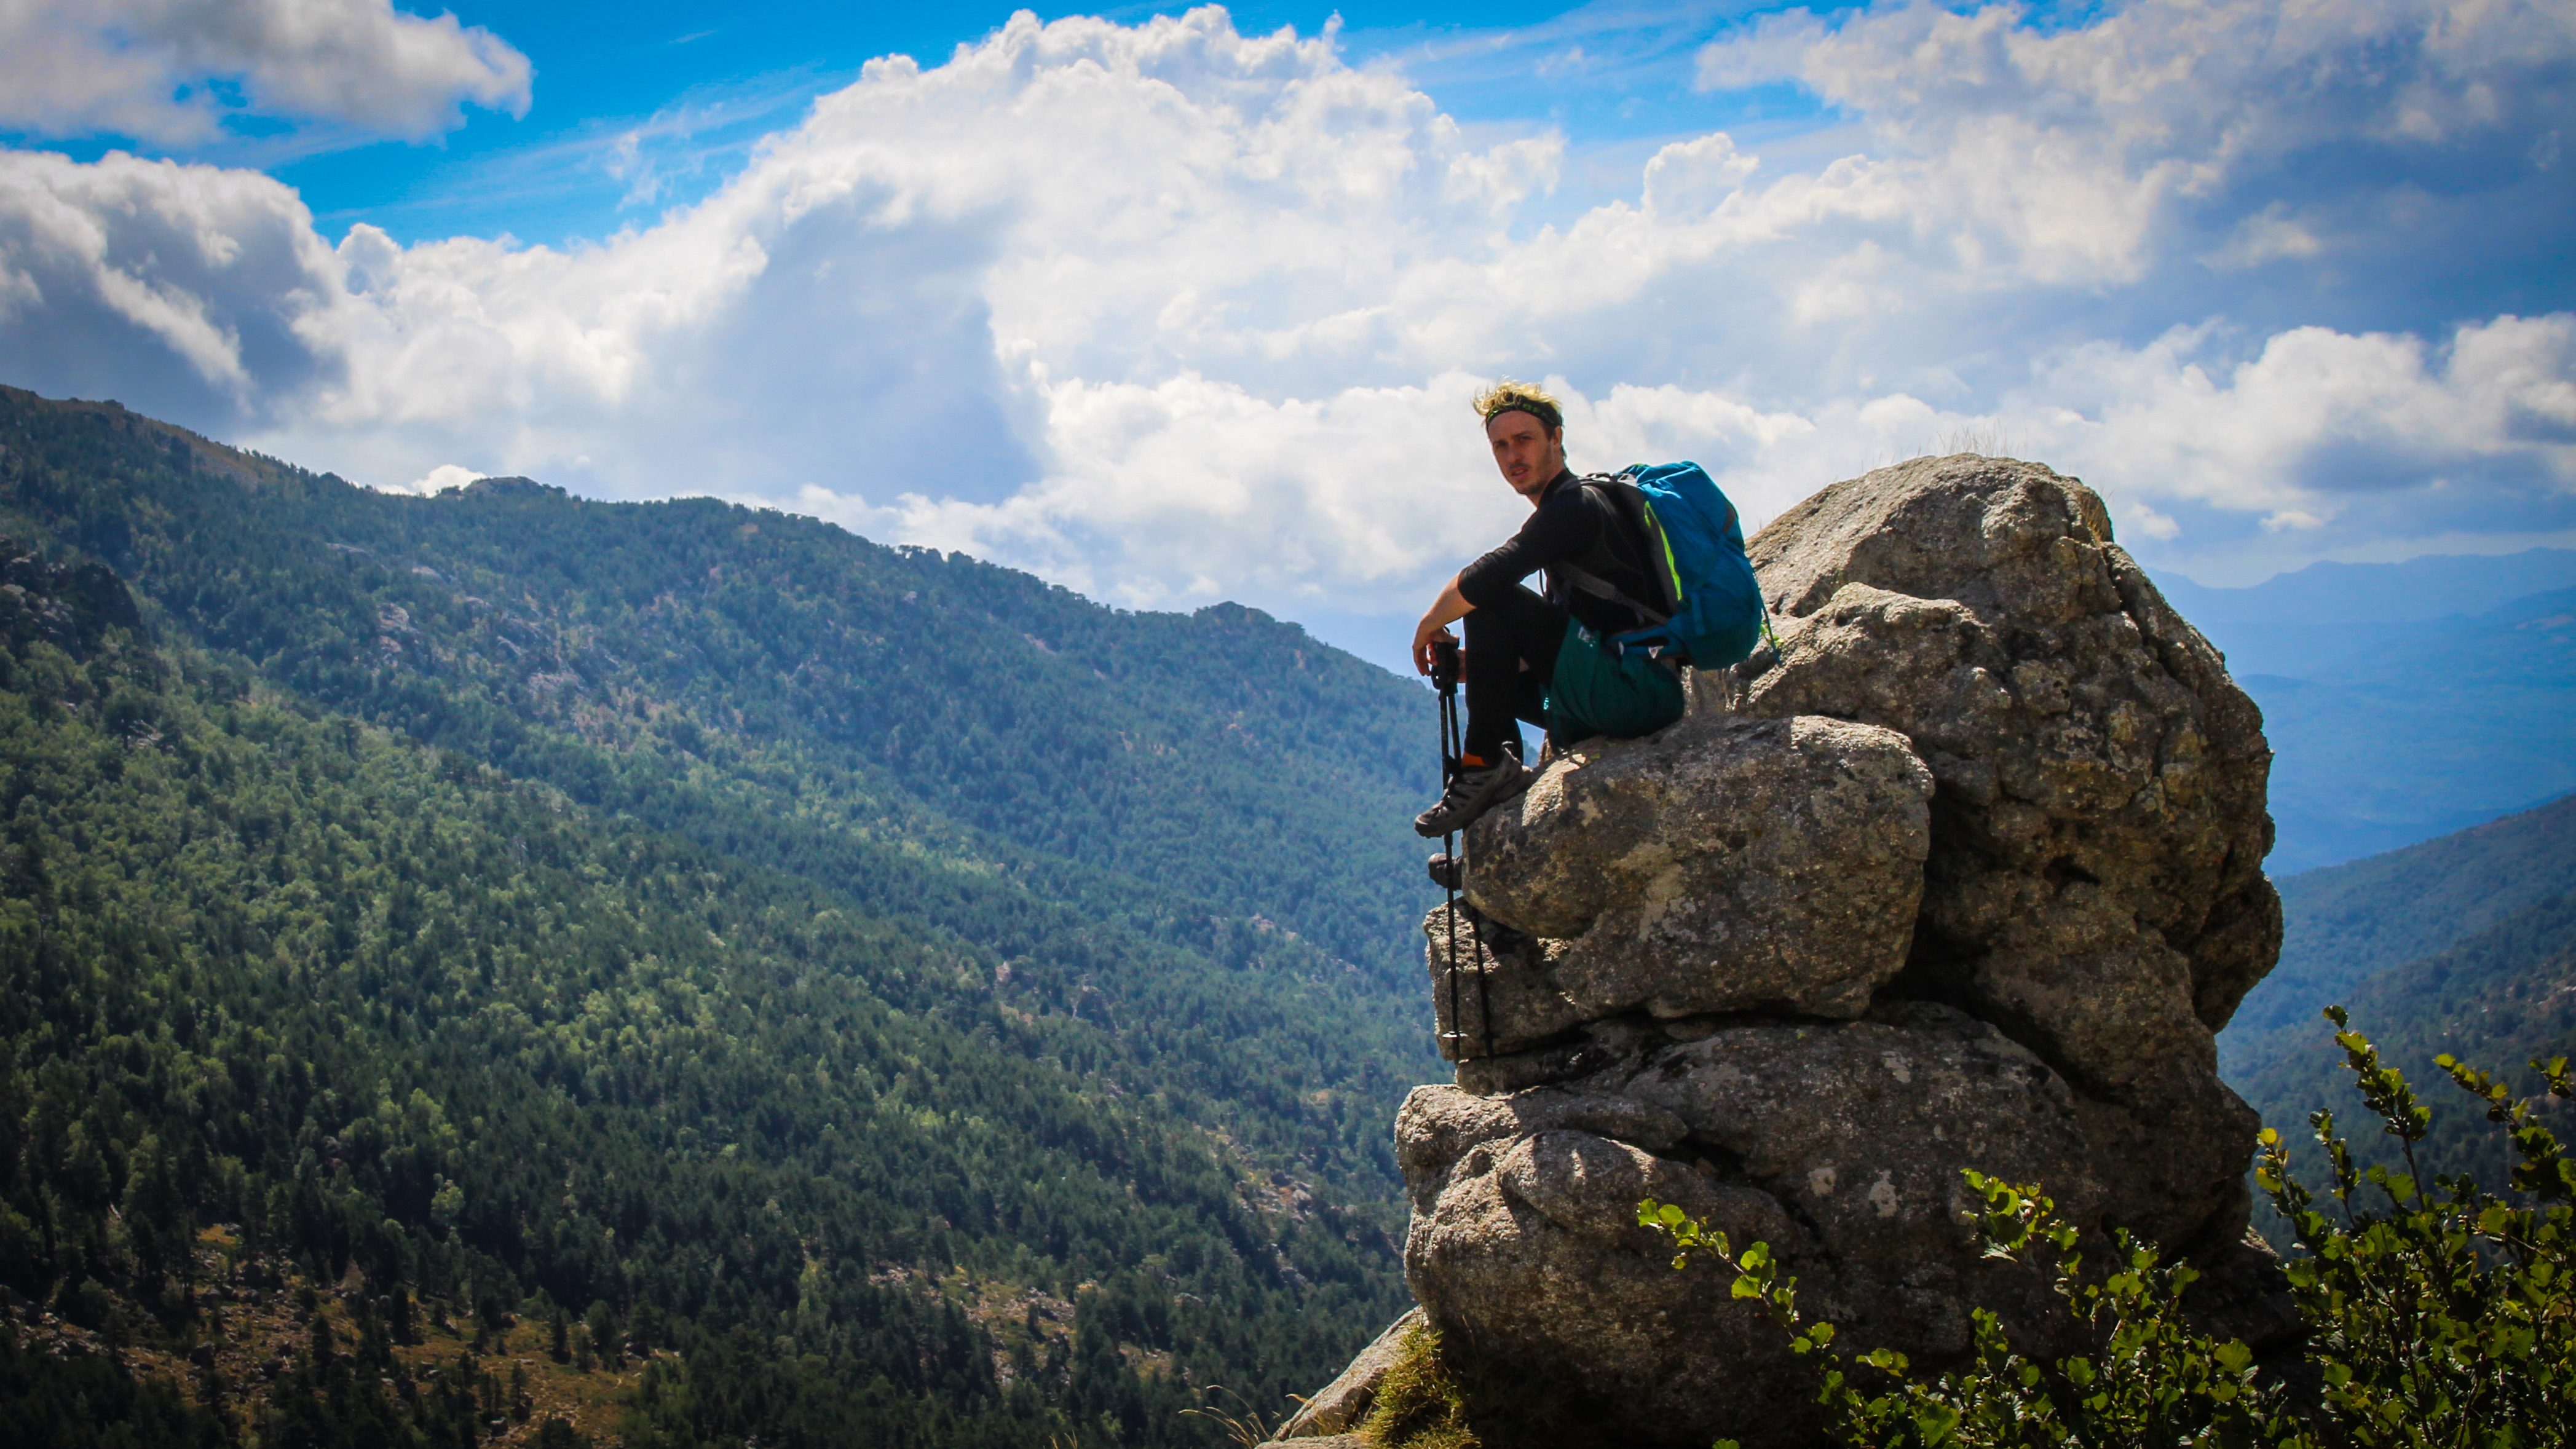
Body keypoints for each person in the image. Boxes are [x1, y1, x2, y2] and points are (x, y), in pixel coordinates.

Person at [1410, 381, 1690, 837]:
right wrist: (1482, 664)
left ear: (1556, 439)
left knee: (1491, 596)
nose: (1512, 456)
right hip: (1617, 682)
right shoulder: (1565, 512)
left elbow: (1489, 576)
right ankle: (1496, 821)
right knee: (1490, 653)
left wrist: (1428, 625)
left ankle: (1484, 765)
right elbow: (1586, 627)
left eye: (1525, 440)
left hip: (1638, 691)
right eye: (1500, 446)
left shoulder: (1576, 506)